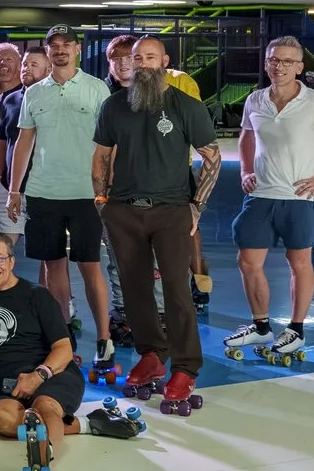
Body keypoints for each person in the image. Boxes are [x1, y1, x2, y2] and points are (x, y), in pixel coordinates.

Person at [93, 35, 220, 408]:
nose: (142, 64)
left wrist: (197, 206)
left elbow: (211, 156)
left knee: (178, 291)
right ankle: (151, 354)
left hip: (171, 209)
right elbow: (101, 155)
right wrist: (102, 201)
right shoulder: (114, 105)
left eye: (150, 57)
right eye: (137, 58)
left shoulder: (185, 105)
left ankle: (186, 366)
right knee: (134, 288)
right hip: (124, 209)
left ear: (164, 61)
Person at [229, 37, 314, 361]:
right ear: (266, 64)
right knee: (248, 261)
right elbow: (246, 135)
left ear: (299, 67)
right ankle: (261, 326)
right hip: (261, 194)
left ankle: (296, 329)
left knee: (299, 262)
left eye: (288, 61)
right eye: (274, 60)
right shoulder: (255, 100)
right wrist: (246, 170)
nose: (280, 66)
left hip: (300, 196)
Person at [9, 25, 114, 371]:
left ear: (77, 49)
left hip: (87, 193)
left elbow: (110, 144)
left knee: (89, 265)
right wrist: (15, 189)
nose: (60, 49)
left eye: (66, 43)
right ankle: (63, 339)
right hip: (44, 191)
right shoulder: (34, 93)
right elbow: (24, 141)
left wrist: (108, 187)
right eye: (53, 44)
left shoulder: (97, 89)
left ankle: (104, 339)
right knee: (53, 266)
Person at [0, 230, 80, 454]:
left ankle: (44, 453)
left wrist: (37, 377)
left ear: (11, 261)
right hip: (9, 386)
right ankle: (75, 425)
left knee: (43, 406)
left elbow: (64, 349)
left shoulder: (38, 296)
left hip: (51, 374)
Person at [0, 47, 48, 247]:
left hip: (43, 191)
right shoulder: (10, 100)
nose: (26, 68)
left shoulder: (55, 101)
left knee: (46, 253)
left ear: (48, 69)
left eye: (34, 65)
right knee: (1, 249)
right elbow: (0, 141)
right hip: (8, 189)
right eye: (24, 64)